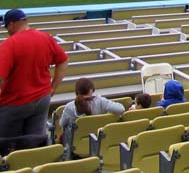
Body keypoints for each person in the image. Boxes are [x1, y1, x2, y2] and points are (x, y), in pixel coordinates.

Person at [0, 9, 68, 139]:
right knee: (35, 143)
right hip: (42, 98)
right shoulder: (45, 37)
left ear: (11, 24)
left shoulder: (9, 44)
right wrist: (52, 88)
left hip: (14, 102)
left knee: (6, 145)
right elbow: (63, 61)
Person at [59, 78, 125, 135]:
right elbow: (121, 109)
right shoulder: (101, 101)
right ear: (92, 90)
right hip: (98, 140)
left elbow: (61, 124)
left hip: (75, 143)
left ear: (77, 91)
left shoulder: (69, 107)